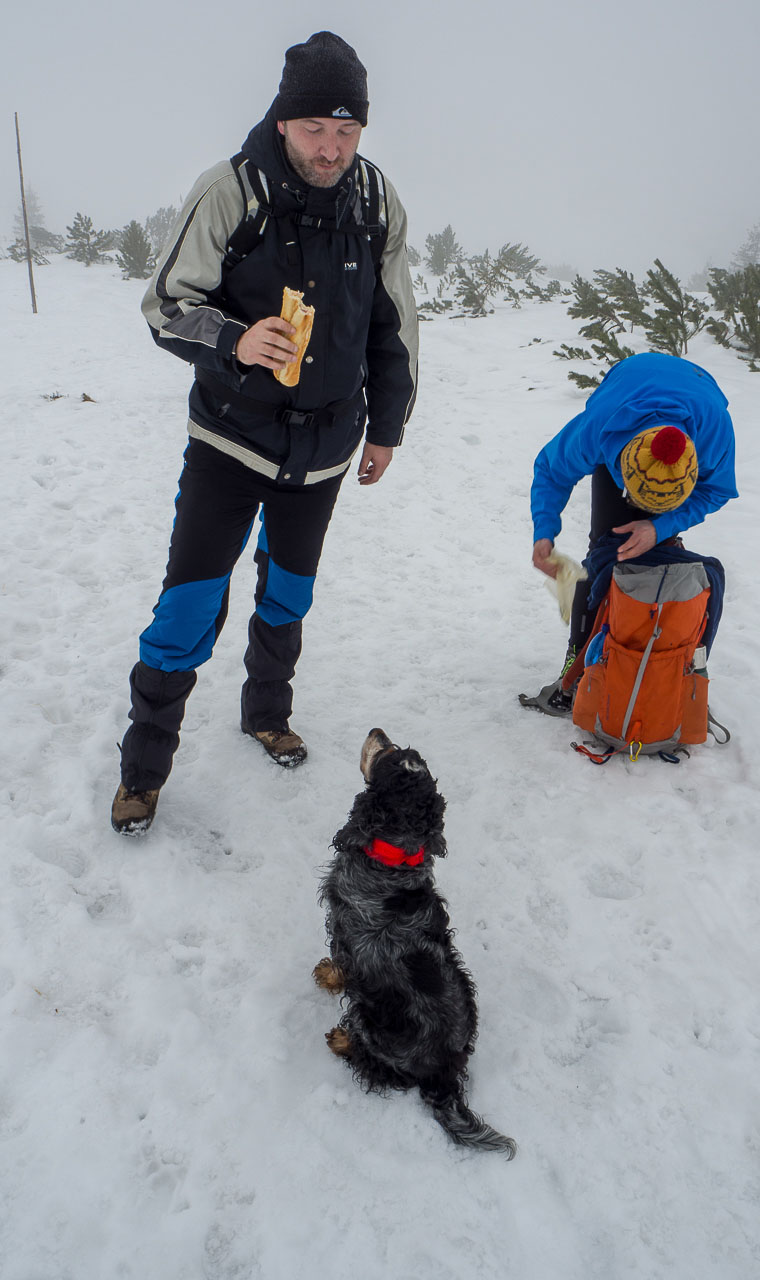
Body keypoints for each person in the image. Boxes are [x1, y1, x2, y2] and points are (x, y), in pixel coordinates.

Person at [111, 31, 418, 834]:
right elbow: (166, 305)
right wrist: (234, 339)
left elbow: (394, 323)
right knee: (187, 610)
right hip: (229, 442)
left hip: (324, 449)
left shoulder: (376, 200)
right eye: (317, 128)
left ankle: (265, 714)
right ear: (284, 121)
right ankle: (143, 771)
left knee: (288, 595)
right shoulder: (232, 189)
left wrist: (385, 426)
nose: (332, 148)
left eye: (348, 132)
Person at [527, 352, 737, 713]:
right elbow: (551, 468)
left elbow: (718, 489)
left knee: (656, 551)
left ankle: (652, 664)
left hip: (697, 394)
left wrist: (660, 526)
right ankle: (575, 672)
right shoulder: (598, 429)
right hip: (625, 397)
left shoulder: (714, 433)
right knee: (607, 550)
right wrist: (544, 532)